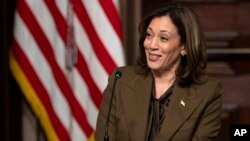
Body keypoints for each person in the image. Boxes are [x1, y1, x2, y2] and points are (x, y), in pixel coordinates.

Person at [95, 3, 223, 141]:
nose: (151, 45)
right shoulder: (120, 80)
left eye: (163, 38)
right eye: (149, 35)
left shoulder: (208, 92)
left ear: (184, 47)